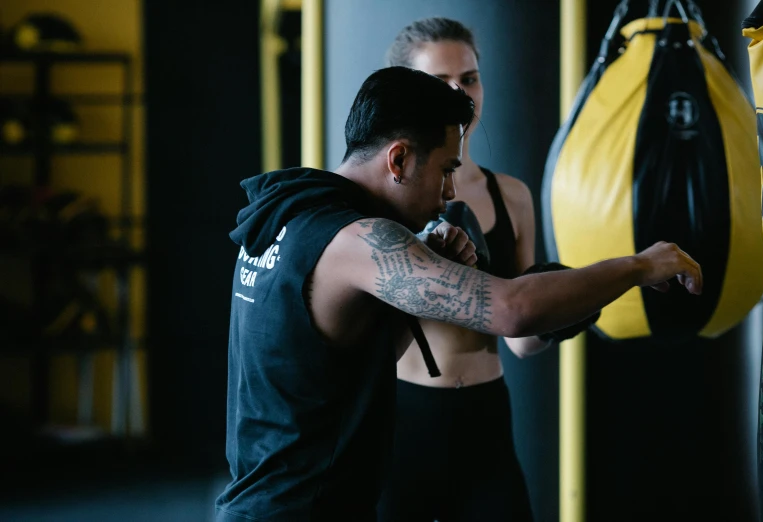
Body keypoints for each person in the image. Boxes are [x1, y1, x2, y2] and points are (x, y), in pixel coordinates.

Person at [214, 65, 703, 522]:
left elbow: (357, 363)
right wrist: (640, 264)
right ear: (399, 158)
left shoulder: (289, 217)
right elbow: (514, 309)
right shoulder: (352, 239)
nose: (450, 192)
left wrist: (432, 267)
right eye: (447, 169)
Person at [378, 18, 547, 521]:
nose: (460, 94)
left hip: (485, 417)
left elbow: (522, 341)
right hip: (407, 418)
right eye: (439, 82)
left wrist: (565, 311)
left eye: (469, 78)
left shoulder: (511, 196)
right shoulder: (383, 198)